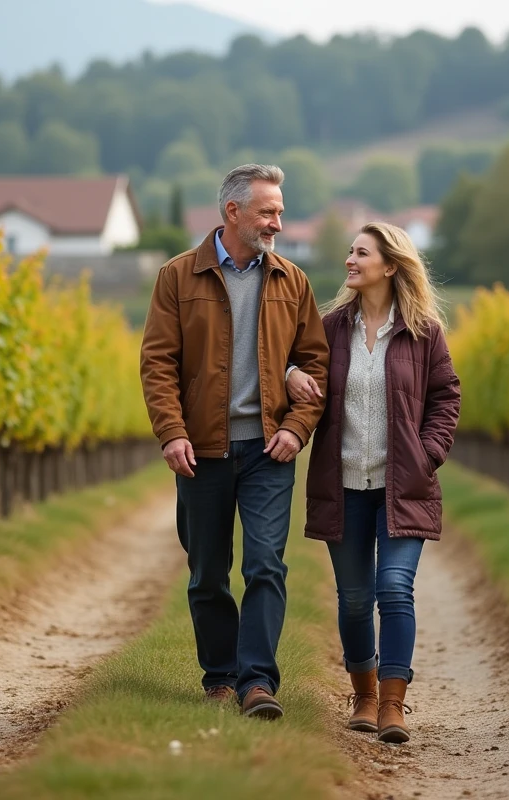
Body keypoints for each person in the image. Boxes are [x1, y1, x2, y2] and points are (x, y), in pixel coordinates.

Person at [139, 164, 330, 720]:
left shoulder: (292, 281)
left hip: (270, 449)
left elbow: (315, 364)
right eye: (268, 212)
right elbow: (157, 364)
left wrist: (297, 427)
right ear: (233, 212)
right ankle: (219, 676)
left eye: (280, 211)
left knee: (266, 565)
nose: (278, 222)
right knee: (207, 573)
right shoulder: (178, 277)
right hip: (202, 451)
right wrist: (172, 433)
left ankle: (257, 683)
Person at [287, 221, 460, 743]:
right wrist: (293, 375)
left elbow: (446, 397)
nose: (350, 260)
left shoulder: (424, 332)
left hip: (401, 485)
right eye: (350, 251)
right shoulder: (330, 328)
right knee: (356, 598)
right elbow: (298, 372)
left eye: (361, 253)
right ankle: (362, 695)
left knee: (395, 589)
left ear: (389, 265)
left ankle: (392, 704)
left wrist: (428, 454)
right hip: (343, 486)